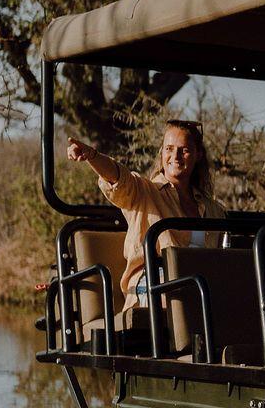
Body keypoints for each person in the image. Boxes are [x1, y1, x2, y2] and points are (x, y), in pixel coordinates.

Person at [65, 120, 225, 310]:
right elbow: (118, 178)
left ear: (198, 155)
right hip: (155, 283)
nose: (175, 156)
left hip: (200, 286)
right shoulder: (145, 192)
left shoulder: (214, 209)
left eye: (184, 150)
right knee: (181, 296)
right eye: (169, 149)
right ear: (162, 153)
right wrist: (92, 156)